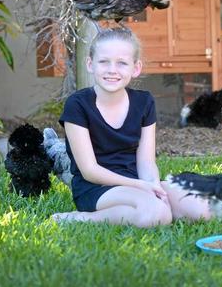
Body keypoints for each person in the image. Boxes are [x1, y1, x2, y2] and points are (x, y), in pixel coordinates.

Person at [52, 28, 211, 226]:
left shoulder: (144, 102)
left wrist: (153, 186)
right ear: (90, 64)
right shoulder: (78, 104)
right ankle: (82, 219)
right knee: (157, 214)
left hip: (137, 182)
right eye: (104, 62)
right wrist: (141, 187)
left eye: (122, 63)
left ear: (135, 68)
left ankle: (140, 209)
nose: (112, 70)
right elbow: (89, 171)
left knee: (200, 210)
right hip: (96, 187)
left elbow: (146, 161)